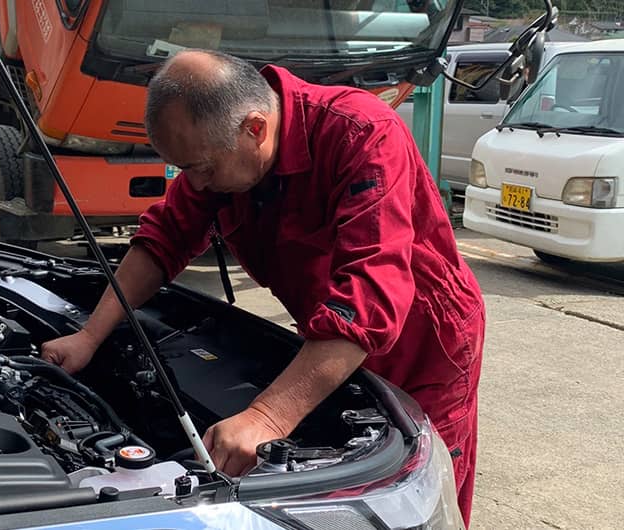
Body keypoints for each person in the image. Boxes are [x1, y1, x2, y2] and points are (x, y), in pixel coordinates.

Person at [40, 50, 485, 526]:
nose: (196, 183)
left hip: (424, 343)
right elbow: (163, 239)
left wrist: (267, 418)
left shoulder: (362, 133)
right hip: (326, 336)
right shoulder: (219, 145)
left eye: (203, 169)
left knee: (407, 497)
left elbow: (369, 294)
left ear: (255, 127)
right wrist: (89, 336)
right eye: (185, 169)